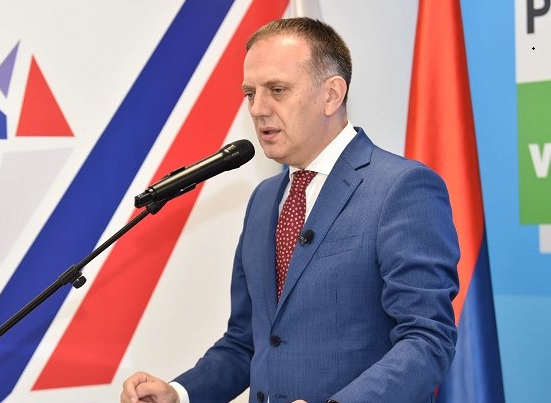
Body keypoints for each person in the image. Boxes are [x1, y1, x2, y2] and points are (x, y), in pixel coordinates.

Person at [121, 17, 459, 403]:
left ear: (331, 94)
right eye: (250, 93)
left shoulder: (401, 188)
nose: (257, 109)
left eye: (277, 90)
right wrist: (179, 393)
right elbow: (248, 342)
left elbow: (427, 338)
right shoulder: (264, 199)